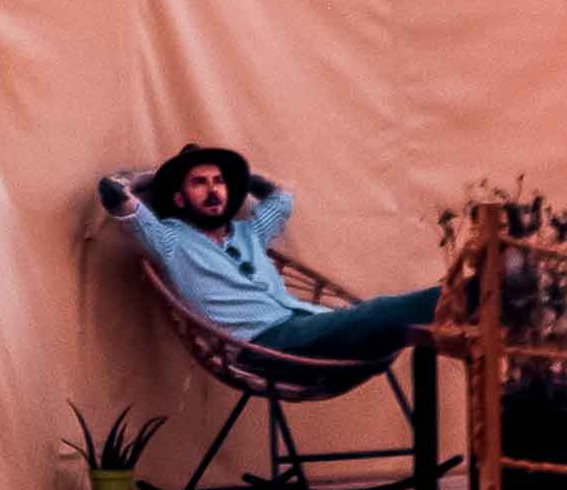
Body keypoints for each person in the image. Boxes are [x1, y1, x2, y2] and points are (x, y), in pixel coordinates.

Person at [98, 143, 441, 366]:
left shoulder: (249, 233)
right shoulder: (171, 241)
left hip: (304, 328)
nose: (213, 190)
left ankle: (472, 304)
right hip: (264, 347)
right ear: (178, 198)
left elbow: (282, 198)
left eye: (219, 181)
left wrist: (242, 179)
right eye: (199, 183)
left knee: (389, 324)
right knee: (380, 312)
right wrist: (156, 178)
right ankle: (472, 299)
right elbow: (112, 193)